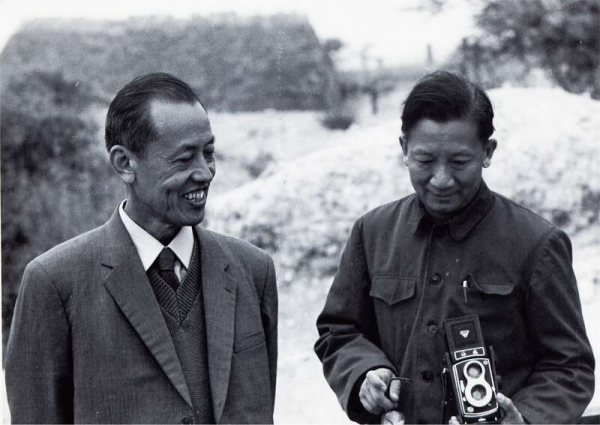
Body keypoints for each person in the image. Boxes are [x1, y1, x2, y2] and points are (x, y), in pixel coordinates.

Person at [314, 71, 594, 424]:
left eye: (459, 162)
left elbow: (570, 367)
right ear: (404, 149)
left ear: (487, 152)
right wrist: (365, 374)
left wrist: (524, 417)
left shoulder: (537, 243)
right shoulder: (372, 233)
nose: (441, 179)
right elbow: (339, 331)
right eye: (425, 161)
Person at [5, 73, 278, 424]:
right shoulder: (55, 283)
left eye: (208, 153)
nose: (205, 173)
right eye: (184, 159)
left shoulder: (253, 271)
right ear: (125, 164)